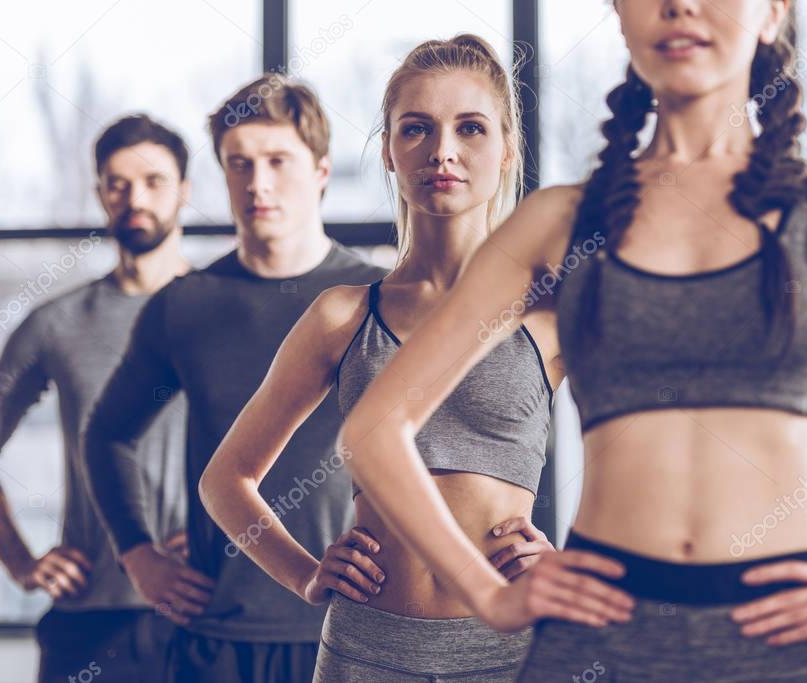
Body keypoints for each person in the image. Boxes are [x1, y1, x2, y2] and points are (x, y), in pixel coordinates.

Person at [337, 1, 807, 681]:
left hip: (786, 646)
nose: (680, 5)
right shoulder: (557, 224)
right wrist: (489, 596)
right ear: (621, 15)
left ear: (772, 14)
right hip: (595, 645)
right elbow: (374, 429)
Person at [200, 34, 561, 682]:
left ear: (507, 149)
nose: (442, 151)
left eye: (470, 128)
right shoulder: (343, 315)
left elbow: (658, 450)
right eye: (416, 128)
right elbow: (224, 481)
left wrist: (579, 558)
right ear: (390, 152)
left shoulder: (549, 312)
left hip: (511, 649)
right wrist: (306, 573)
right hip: (365, 649)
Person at [83, 75, 387, 683]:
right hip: (218, 635)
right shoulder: (186, 305)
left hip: (356, 626)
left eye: (278, 161)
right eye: (239, 164)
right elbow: (109, 435)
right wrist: (138, 553)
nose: (258, 183)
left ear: (322, 171)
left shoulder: (379, 298)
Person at [0, 114, 191, 683]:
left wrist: (229, 540)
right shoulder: (59, 322)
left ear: (184, 192)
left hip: (204, 610)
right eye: (117, 183)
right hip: (91, 618)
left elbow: (301, 444)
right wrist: (19, 560)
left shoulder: (225, 313)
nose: (134, 198)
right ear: (100, 194)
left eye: (152, 181)